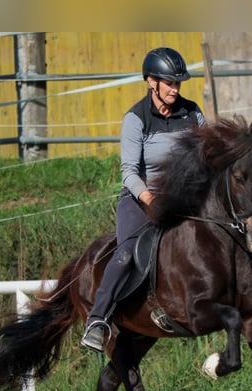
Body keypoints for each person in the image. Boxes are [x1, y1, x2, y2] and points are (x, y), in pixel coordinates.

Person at [81, 47, 207, 353]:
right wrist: (150, 198)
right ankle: (97, 320)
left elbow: (207, 158)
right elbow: (129, 172)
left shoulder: (193, 114)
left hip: (184, 198)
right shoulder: (135, 119)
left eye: (178, 84)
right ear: (151, 81)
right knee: (126, 252)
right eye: (169, 83)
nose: (175, 89)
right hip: (141, 199)